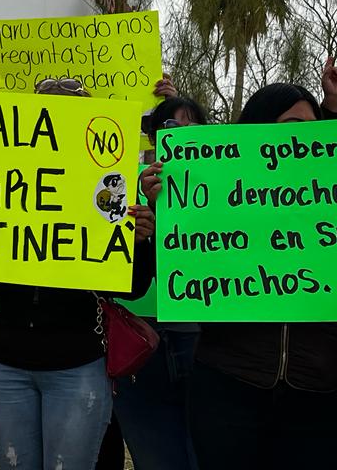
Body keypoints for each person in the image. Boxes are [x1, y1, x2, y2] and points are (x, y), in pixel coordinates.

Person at [141, 59, 337, 470]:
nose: (304, 141)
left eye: (313, 132)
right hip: (229, 387)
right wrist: (163, 211)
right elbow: (171, 272)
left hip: (322, 395)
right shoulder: (212, 200)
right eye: (291, 128)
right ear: (255, 134)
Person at [0, 76, 156, 470]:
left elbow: (134, 285)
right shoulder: (2, 180)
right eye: (49, 114)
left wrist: (142, 240)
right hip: (5, 361)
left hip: (77, 364)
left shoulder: (111, 184)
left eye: (70, 115)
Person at [111, 95, 208, 470]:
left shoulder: (222, 188)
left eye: (192, 128)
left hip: (198, 335)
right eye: (171, 128)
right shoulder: (122, 182)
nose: (182, 136)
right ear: (153, 138)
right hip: (138, 338)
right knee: (153, 456)